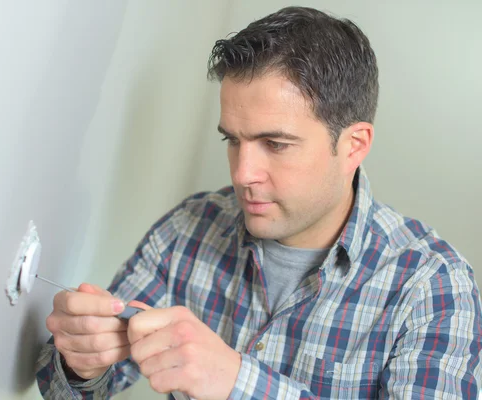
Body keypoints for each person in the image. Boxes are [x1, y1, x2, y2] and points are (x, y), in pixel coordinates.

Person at [35, 6, 482, 399]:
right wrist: (82, 365)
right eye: (233, 140)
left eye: (275, 143)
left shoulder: (433, 287)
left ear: (354, 145)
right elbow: (74, 388)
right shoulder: (188, 227)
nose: (242, 173)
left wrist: (237, 382)